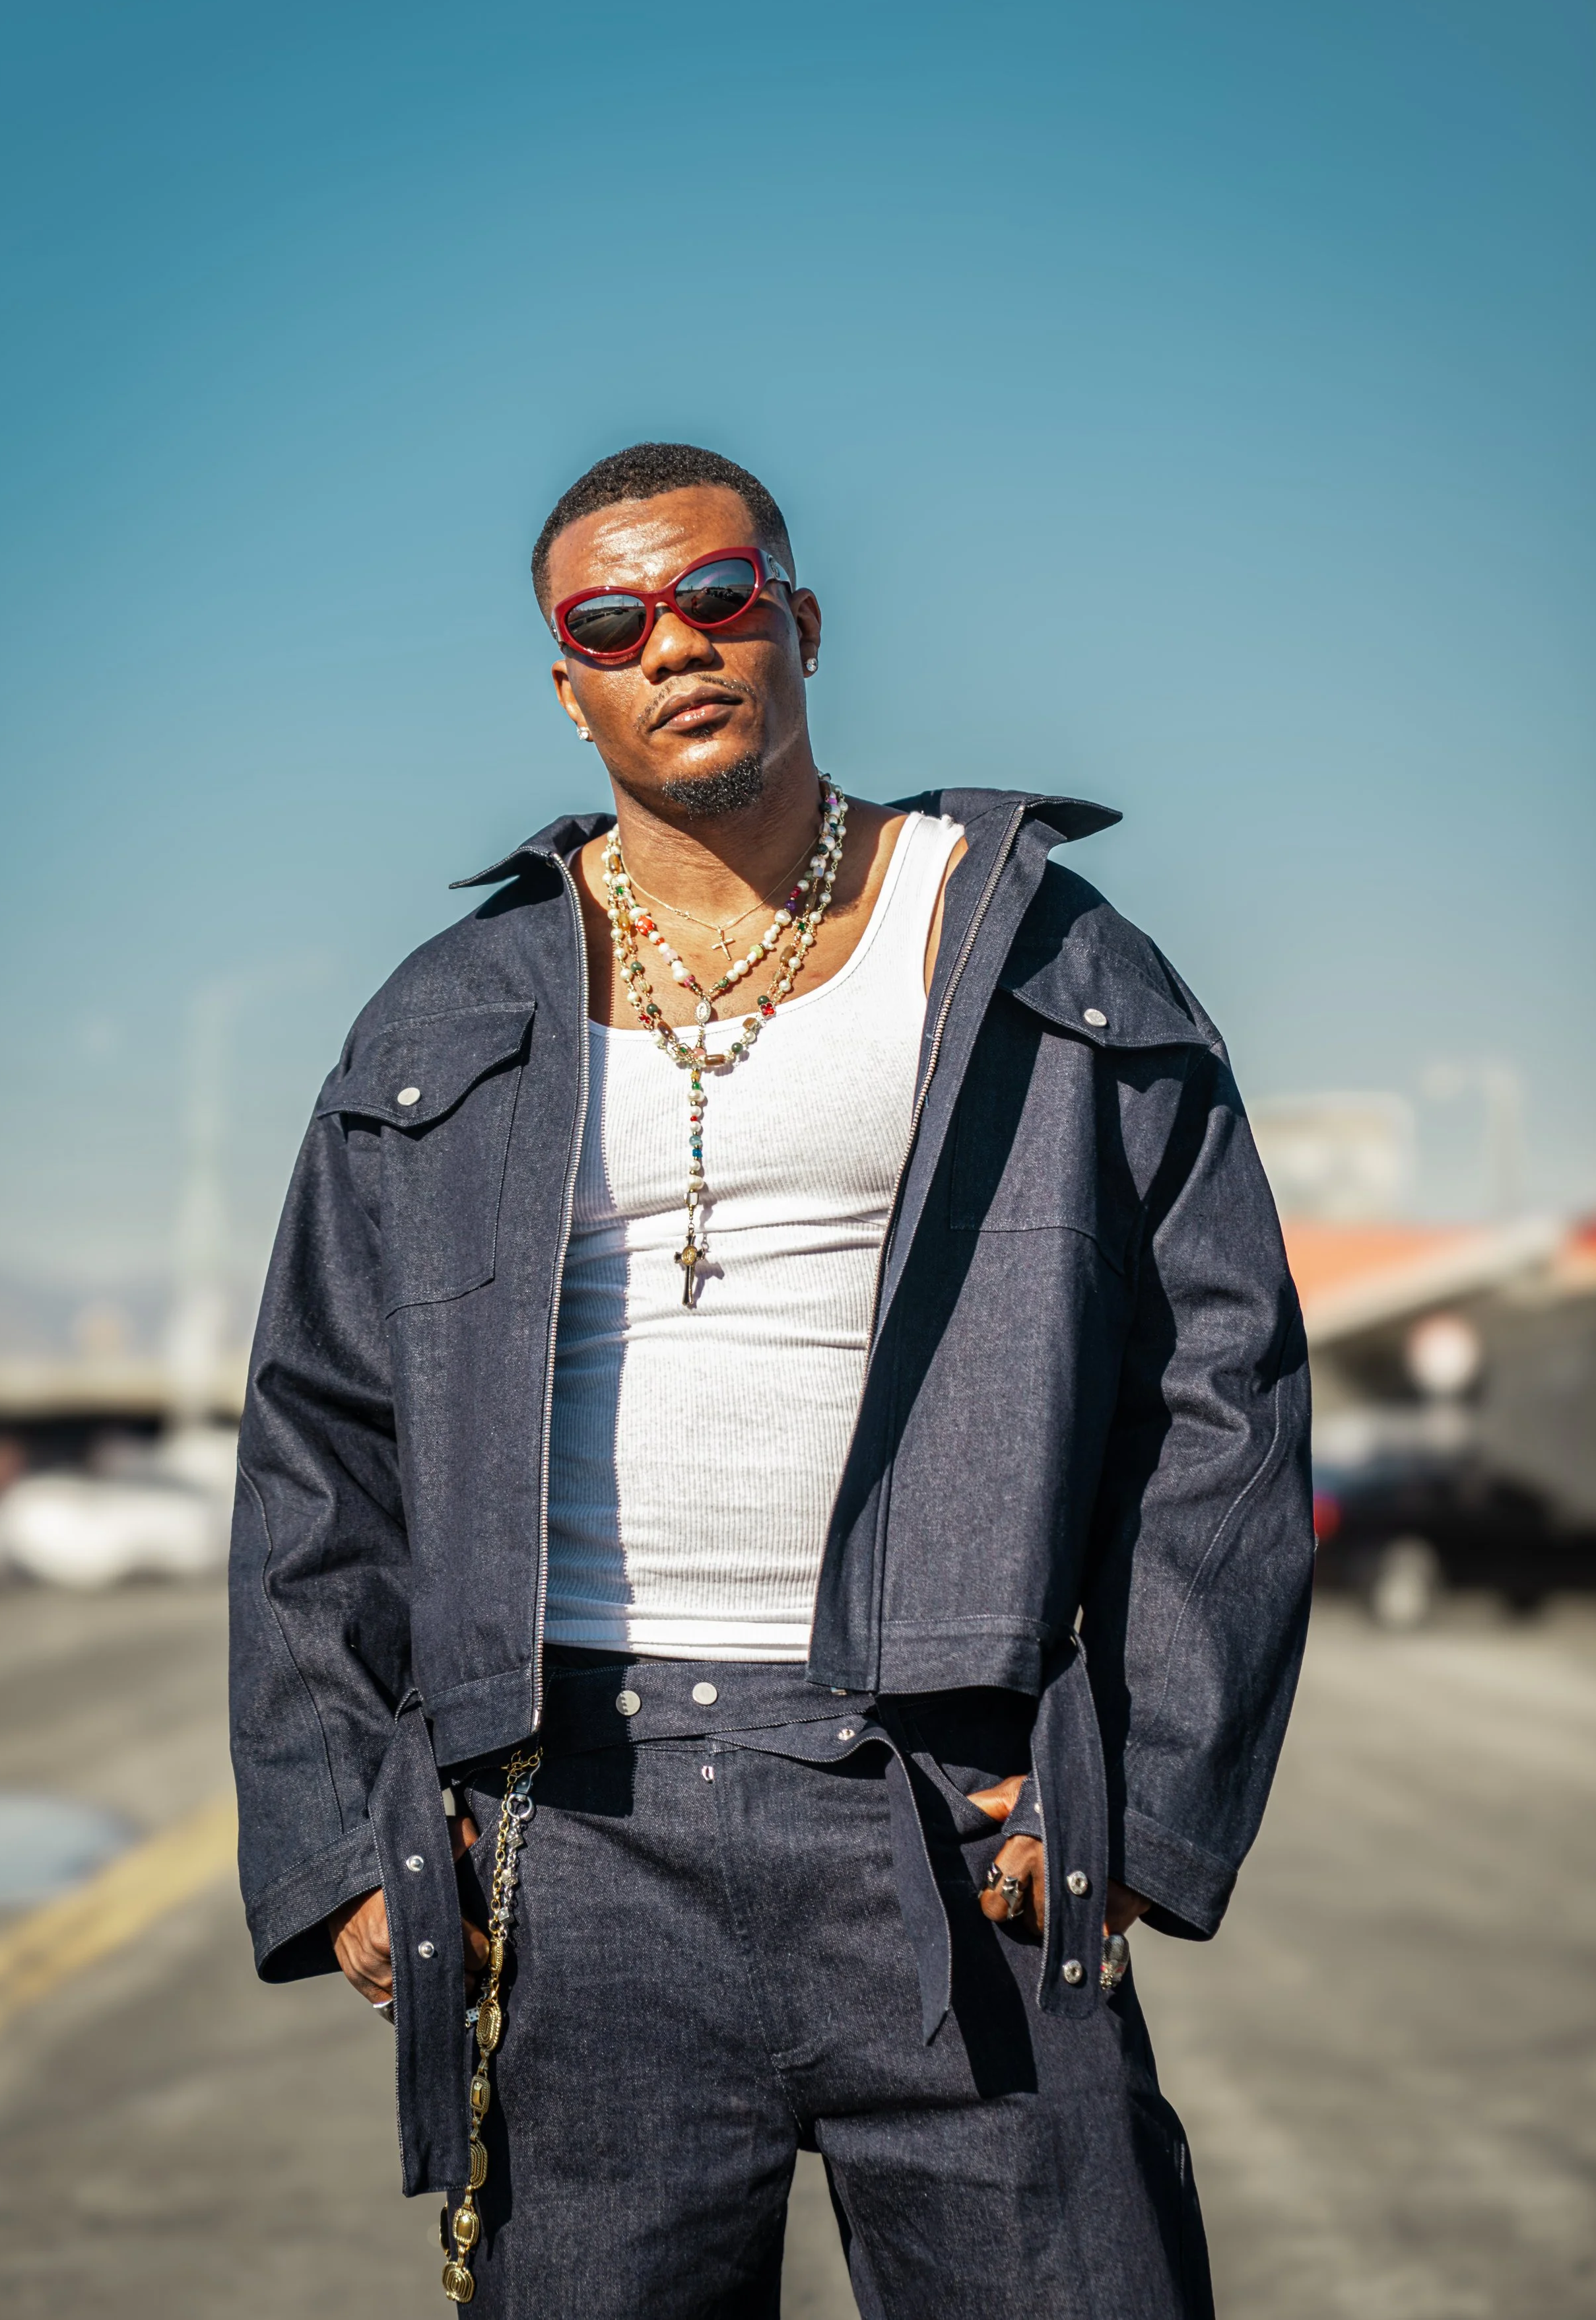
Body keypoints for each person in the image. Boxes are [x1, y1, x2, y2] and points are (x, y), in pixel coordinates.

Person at [230, 441, 1313, 2318]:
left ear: (796, 621)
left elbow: (1221, 1385)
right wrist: (342, 1831)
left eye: (720, 598)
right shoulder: (449, 1010)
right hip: (576, 1827)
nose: (678, 642)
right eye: (613, 621)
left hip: (954, 1807)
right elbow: (319, 1440)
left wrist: (1140, 1779)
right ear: (567, 686)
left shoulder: (1029, 949)